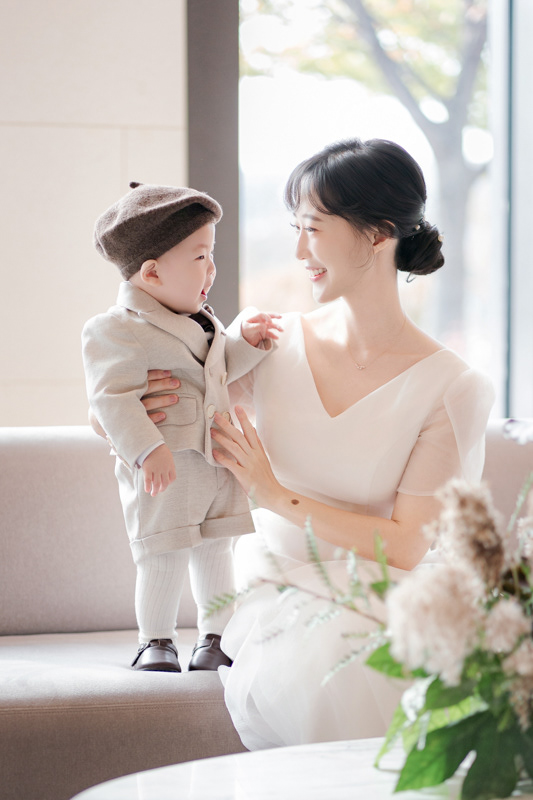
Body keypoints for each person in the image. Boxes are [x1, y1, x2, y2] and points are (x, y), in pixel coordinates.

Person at [134, 138, 494, 745]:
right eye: (295, 229)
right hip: (275, 584)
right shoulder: (267, 343)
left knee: (392, 654)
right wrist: (134, 412)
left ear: (378, 234)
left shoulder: (451, 387)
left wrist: (275, 495)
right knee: (337, 656)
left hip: (385, 585)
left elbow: (407, 546)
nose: (299, 251)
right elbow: (150, 416)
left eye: (313, 229)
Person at [82, 182, 280, 674]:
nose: (211, 269)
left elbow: (216, 369)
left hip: (215, 462)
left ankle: (216, 638)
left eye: (212, 255)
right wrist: (147, 449)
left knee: (216, 552)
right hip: (166, 470)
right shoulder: (116, 328)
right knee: (163, 554)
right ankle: (156, 641)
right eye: (199, 257)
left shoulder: (203, 321)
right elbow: (111, 397)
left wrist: (246, 341)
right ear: (151, 272)